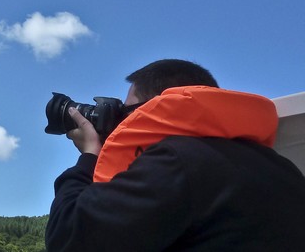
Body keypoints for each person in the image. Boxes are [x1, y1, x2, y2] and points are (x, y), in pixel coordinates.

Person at [45, 59, 305, 251]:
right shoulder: (282, 168)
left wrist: (89, 156)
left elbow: (68, 238)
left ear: (156, 106)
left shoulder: (177, 161)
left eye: (127, 111)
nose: (122, 121)